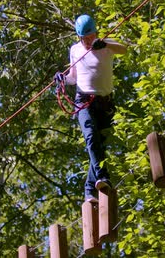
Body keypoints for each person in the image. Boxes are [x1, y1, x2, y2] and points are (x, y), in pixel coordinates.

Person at [55, 14, 127, 203]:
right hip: (84, 100)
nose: (87, 42)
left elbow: (125, 50)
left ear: (95, 32)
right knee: (91, 137)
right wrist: (63, 79)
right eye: (83, 38)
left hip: (105, 103)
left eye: (89, 37)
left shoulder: (106, 45)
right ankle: (103, 177)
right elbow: (73, 77)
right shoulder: (75, 50)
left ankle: (89, 191)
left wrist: (106, 44)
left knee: (99, 147)